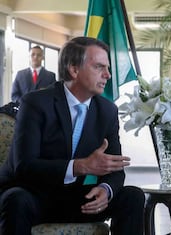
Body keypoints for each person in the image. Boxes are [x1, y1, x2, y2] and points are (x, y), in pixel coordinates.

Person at [0, 37, 145, 234]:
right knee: (15, 199)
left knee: (132, 196)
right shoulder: (35, 103)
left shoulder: (107, 111)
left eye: (108, 68)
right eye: (99, 67)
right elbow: (23, 167)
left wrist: (105, 189)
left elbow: (115, 170)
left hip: (74, 199)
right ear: (74, 70)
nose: (108, 75)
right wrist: (80, 166)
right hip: (31, 195)